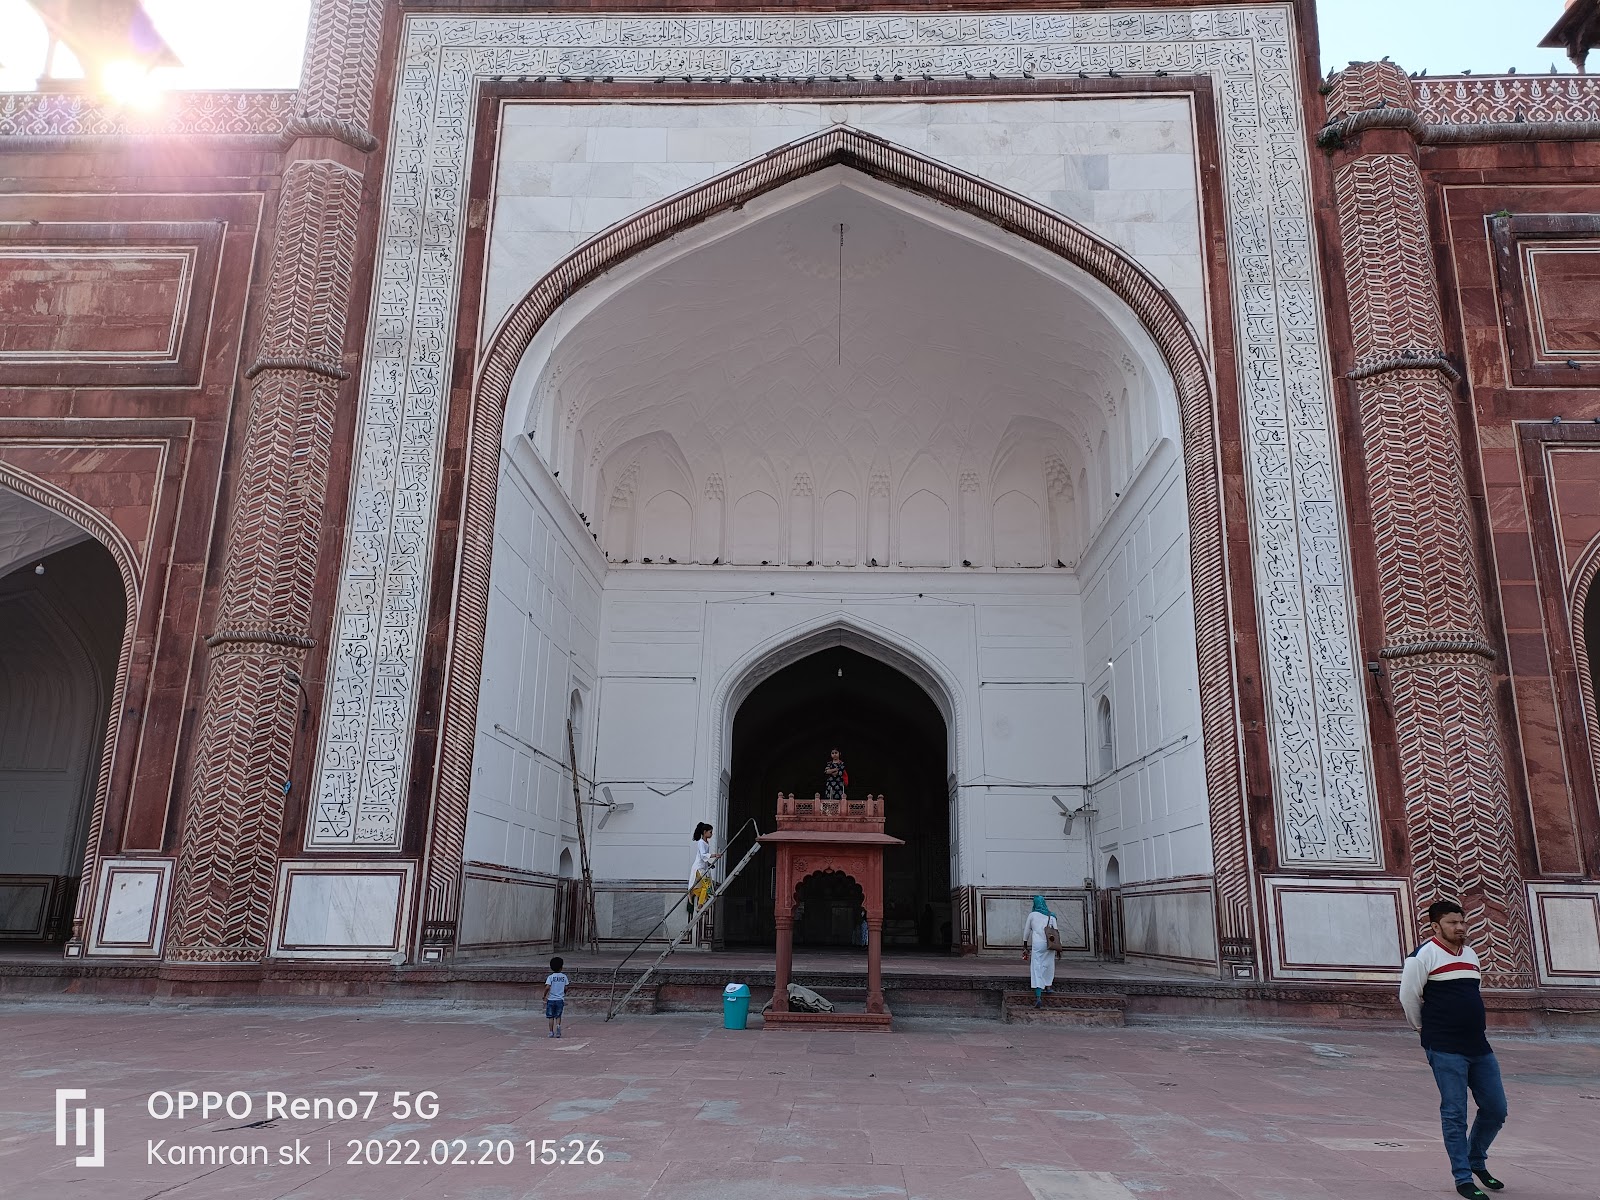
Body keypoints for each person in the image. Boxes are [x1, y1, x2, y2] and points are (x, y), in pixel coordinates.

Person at [1400, 900, 1508, 1199]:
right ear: (1436, 926)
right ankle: (1463, 1178)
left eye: (1462, 922)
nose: (1460, 927)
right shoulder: (1422, 957)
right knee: (1454, 1112)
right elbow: (1408, 998)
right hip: (1445, 1046)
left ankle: (1476, 1159)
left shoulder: (1471, 955)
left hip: (1478, 1045)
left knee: (1496, 1109)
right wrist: (1424, 1031)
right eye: (1452, 923)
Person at [1020, 895, 1058, 1007]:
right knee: (1049, 964)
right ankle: (1048, 986)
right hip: (1050, 943)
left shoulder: (1032, 915)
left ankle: (1038, 995)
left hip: (1038, 944)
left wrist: (1025, 945)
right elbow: (1056, 931)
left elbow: (1027, 932)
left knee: (1037, 966)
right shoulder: (1052, 916)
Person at [687, 822, 719, 943]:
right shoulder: (701, 842)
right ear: (705, 832)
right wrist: (714, 855)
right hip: (699, 868)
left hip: (703, 867)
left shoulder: (706, 842)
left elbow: (703, 857)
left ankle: (694, 893)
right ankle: (699, 905)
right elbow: (703, 855)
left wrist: (709, 864)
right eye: (710, 832)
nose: (712, 834)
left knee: (708, 888)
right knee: (707, 887)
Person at [544, 956, 568, 1039]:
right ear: (561, 967)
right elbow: (566, 988)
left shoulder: (550, 977)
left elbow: (547, 987)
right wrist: (563, 993)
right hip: (560, 999)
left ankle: (551, 1032)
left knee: (550, 1017)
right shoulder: (564, 977)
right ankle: (558, 1027)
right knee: (558, 1016)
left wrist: (544, 995)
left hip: (551, 999)